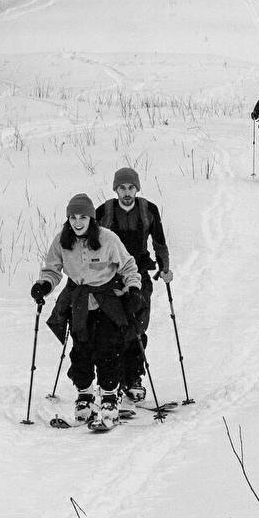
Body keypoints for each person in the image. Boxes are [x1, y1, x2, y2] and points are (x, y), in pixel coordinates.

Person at [31, 193, 144, 429]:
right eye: (73, 217)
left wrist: (133, 289)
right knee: (80, 351)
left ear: (92, 218)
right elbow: (52, 270)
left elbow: (129, 266)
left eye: (83, 217)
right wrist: (43, 285)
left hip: (108, 302)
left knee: (108, 350)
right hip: (79, 302)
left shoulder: (107, 239)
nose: (78, 222)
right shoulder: (62, 240)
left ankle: (110, 399)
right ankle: (85, 398)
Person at [96, 167, 171, 404]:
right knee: (113, 328)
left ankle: (134, 378)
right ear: (115, 189)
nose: (126, 192)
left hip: (140, 274)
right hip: (111, 277)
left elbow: (159, 242)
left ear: (137, 188)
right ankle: (113, 382)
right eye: (122, 188)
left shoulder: (148, 210)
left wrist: (164, 267)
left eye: (130, 188)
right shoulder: (104, 212)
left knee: (138, 327)